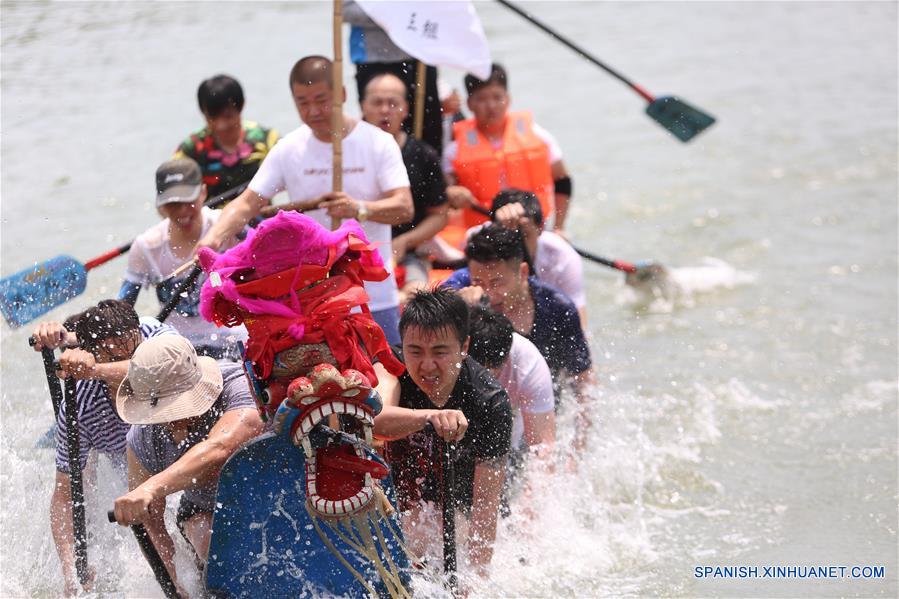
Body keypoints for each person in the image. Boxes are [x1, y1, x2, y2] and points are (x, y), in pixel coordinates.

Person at [197, 55, 413, 345]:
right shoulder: (289, 148)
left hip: (373, 291)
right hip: (314, 296)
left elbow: (404, 207)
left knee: (387, 375)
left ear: (342, 95)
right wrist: (212, 239)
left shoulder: (378, 142)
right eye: (302, 102)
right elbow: (247, 204)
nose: (313, 111)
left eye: (321, 100)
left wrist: (359, 209)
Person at [30, 300, 175, 596]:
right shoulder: (80, 409)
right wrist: (71, 572)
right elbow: (63, 496)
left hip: (168, 441)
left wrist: (96, 368)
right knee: (88, 482)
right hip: (121, 452)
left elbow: (146, 368)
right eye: (113, 357)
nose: (127, 366)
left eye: (131, 353)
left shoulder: (151, 332)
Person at [373, 288, 511, 580]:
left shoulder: (490, 401)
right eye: (415, 351)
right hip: (406, 499)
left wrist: (475, 582)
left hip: (462, 503)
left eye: (439, 352)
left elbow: (485, 510)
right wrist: (430, 416)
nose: (426, 366)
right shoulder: (390, 364)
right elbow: (375, 421)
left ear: (464, 346)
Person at [111, 335, 265, 590]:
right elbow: (150, 521)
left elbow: (220, 447)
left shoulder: (239, 385)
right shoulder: (142, 439)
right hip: (203, 509)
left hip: (270, 493)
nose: (171, 421)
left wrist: (150, 488)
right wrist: (172, 583)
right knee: (211, 549)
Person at [442, 225, 596, 451]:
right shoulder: (461, 287)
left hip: (540, 394)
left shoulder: (557, 308)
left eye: (496, 283)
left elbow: (584, 381)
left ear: (523, 272)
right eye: (479, 283)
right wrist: (459, 307)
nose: (487, 293)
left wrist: (579, 446)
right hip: (485, 397)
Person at [119, 158, 247, 359]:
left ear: (203, 192)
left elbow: (267, 256)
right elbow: (121, 310)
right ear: (160, 205)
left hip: (231, 340)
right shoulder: (145, 246)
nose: (181, 211)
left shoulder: (227, 224)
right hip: (177, 349)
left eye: (188, 201)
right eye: (173, 203)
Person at [442, 63, 573, 236]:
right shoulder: (454, 150)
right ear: (469, 104)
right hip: (485, 233)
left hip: (533, 229)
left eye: (497, 97)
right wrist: (451, 192)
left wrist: (559, 227)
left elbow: (562, 181)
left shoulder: (538, 135)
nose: (491, 106)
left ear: (508, 99)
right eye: (482, 99)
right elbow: (445, 192)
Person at [360, 73, 448, 301]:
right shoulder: (347, 154)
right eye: (377, 103)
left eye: (392, 103)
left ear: (405, 109)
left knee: (415, 297)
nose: (384, 110)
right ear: (363, 106)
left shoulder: (423, 155)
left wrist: (405, 241)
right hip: (358, 250)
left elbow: (439, 215)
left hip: (408, 252)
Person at [343, 0, 443, 154]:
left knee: (429, 132)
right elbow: (345, 10)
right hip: (372, 58)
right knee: (375, 134)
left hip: (420, 54)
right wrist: (396, 13)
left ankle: (429, 176)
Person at [475, 189, 587, 326]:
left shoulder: (565, 257)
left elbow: (581, 326)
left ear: (541, 228)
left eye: (524, 234)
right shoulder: (479, 242)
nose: (516, 244)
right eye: (509, 235)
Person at [467, 305, 554, 456]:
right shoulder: (448, 355)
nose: (481, 380)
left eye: (489, 373)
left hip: (509, 431)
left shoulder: (530, 366)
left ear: (505, 359)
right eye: (475, 370)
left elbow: (542, 447)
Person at [174, 74, 279, 198]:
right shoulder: (190, 149)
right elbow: (170, 199)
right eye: (213, 118)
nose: (221, 126)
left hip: (262, 214)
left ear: (242, 106)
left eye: (227, 116)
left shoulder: (267, 139)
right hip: (210, 216)